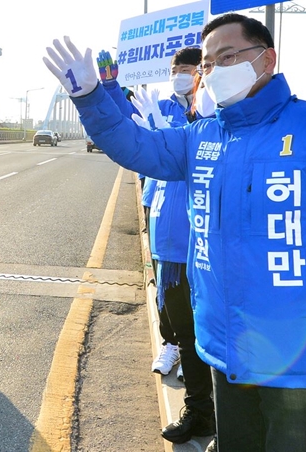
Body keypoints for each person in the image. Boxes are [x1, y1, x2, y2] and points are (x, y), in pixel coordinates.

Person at [43, 13, 306, 452]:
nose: (213, 71)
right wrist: (92, 96)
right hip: (226, 349)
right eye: (207, 64)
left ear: (266, 59)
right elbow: (135, 146)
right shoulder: (200, 137)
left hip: (302, 358)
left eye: (227, 57)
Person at [97, 47, 216, 445]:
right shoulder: (162, 107)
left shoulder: (215, 116)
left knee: (208, 336)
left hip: (201, 246)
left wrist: (187, 121)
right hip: (170, 238)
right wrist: (108, 90)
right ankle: (201, 412)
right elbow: (128, 127)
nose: (183, 76)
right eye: (178, 69)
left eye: (194, 69)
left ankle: (218, 413)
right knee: (182, 330)